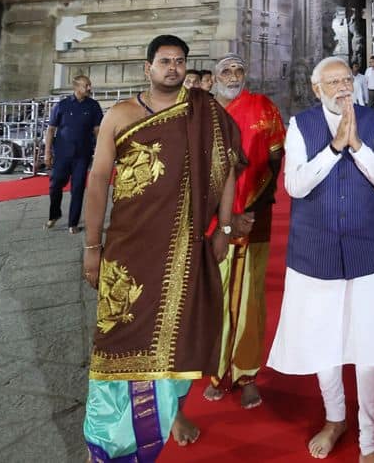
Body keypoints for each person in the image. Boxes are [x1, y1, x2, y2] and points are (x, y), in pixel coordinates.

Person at [81, 35, 243, 461]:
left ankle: (171, 413)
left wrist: (224, 227)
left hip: (184, 249)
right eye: (165, 61)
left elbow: (227, 169)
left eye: (180, 61)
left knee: (179, 333)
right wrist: (91, 245)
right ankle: (111, 440)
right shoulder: (121, 114)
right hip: (128, 246)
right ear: (147, 68)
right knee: (118, 336)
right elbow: (98, 180)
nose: (173, 67)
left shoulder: (205, 111)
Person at [267, 56, 374, 463]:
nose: (342, 87)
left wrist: (356, 145)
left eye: (346, 80)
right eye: (332, 82)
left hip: (366, 247)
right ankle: (335, 416)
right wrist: (334, 146)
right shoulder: (300, 125)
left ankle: (371, 440)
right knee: (325, 339)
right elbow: (295, 185)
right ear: (316, 87)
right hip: (316, 249)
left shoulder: (373, 123)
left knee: (370, 344)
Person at [202, 54, 286, 408]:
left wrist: (253, 208)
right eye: (226, 70)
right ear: (214, 76)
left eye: (238, 69)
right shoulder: (201, 115)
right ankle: (215, 371)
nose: (233, 75)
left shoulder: (262, 107)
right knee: (213, 296)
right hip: (209, 222)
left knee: (250, 297)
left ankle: (247, 373)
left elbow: (275, 158)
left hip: (254, 217)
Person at [44, 75, 103, 234]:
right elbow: (51, 129)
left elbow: (97, 130)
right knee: (55, 184)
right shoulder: (62, 105)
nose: (89, 88)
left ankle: (73, 223)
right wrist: (47, 152)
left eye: (89, 85)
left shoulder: (93, 106)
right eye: (86, 85)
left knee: (77, 188)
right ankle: (54, 214)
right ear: (76, 87)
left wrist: (100, 150)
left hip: (82, 154)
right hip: (62, 153)